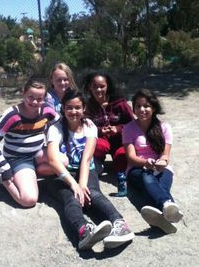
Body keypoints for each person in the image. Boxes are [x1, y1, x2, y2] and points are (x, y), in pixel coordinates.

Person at [46, 89, 135, 250]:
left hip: (85, 169)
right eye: (69, 108)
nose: (74, 112)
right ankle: (84, 231)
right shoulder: (55, 128)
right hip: (62, 172)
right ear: (63, 108)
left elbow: (87, 159)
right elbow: (53, 160)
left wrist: (83, 185)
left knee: (92, 193)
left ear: (84, 108)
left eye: (77, 107)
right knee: (72, 198)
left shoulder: (89, 126)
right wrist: (74, 185)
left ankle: (120, 224)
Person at [0, 77, 59, 207]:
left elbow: (58, 124)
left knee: (63, 161)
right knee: (29, 200)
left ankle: (27, 176)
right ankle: (3, 178)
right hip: (17, 159)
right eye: (31, 97)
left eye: (39, 98)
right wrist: (4, 167)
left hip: (38, 154)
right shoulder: (12, 115)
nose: (35, 102)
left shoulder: (46, 110)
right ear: (23, 92)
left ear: (45, 97)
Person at [123, 88, 183, 234]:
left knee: (155, 187)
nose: (142, 109)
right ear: (133, 108)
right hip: (137, 169)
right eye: (138, 106)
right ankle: (168, 204)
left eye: (146, 106)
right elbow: (130, 157)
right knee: (147, 176)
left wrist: (162, 162)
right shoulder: (128, 128)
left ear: (154, 108)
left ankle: (162, 218)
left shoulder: (164, 127)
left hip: (162, 169)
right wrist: (145, 163)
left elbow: (165, 155)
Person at [82, 72, 134, 174]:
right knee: (99, 146)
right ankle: (98, 161)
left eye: (102, 86)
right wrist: (100, 131)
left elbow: (132, 124)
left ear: (108, 86)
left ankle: (117, 160)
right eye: (95, 86)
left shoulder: (120, 104)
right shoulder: (87, 106)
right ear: (89, 87)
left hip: (121, 140)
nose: (98, 90)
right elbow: (83, 127)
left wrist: (118, 129)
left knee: (121, 161)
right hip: (101, 139)